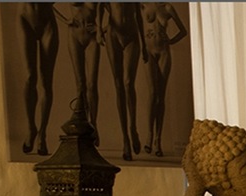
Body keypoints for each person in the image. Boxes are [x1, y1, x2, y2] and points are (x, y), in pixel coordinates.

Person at [97, 2, 144, 160]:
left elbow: (139, 16)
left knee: (128, 83)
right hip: (113, 34)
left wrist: (144, 45)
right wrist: (99, 29)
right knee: (118, 86)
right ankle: (125, 139)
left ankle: (133, 127)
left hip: (131, 34)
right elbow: (100, 5)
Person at [140, 3, 187, 157]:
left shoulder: (167, 7)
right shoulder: (143, 5)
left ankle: (157, 140)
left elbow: (183, 31)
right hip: (149, 51)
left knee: (160, 96)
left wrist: (170, 41)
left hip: (163, 52)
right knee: (152, 93)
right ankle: (149, 135)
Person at [18, 3, 60, 155]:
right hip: (25, 17)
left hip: (47, 20)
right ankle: (31, 128)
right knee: (30, 77)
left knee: (46, 81)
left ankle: (42, 133)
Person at [58, 3, 101, 145]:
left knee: (92, 84)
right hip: (74, 35)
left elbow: (115, 11)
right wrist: (65, 20)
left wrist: (101, 29)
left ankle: (94, 125)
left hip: (92, 38)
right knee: (80, 84)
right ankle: (83, 126)